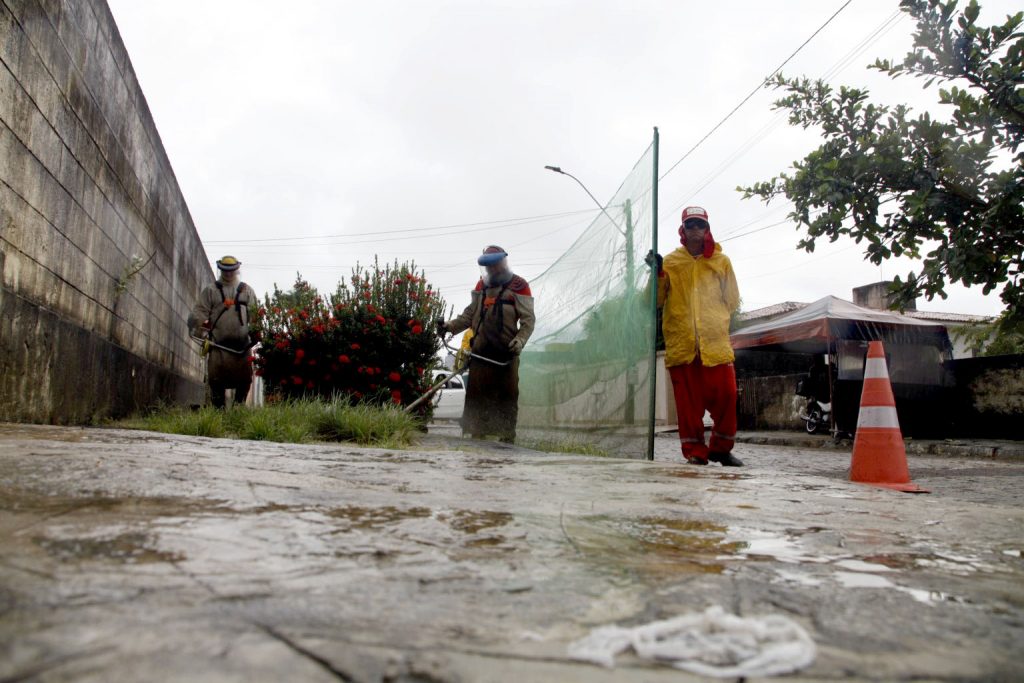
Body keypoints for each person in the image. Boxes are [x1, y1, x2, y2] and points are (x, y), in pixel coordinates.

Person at [648, 207, 743, 466]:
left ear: (707, 229)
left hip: (715, 345)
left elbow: (732, 299)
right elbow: (653, 302)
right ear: (682, 230)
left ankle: (721, 449)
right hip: (682, 345)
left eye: (700, 225)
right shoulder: (670, 262)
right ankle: (695, 452)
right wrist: (655, 274)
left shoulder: (721, 262)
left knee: (727, 395)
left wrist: (713, 318)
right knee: (688, 406)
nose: (695, 230)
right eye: (690, 225)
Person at [437, 246, 535, 442]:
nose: (491, 271)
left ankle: (507, 442)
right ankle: (475, 441)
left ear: (502, 264)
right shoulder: (481, 286)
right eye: (487, 268)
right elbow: (469, 315)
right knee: (477, 400)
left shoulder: (519, 285)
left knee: (506, 399)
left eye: (494, 266)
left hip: (505, 357)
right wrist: (449, 326)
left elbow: (528, 320)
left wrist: (520, 340)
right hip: (480, 355)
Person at [191, 256, 258, 408]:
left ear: (236, 270)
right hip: (218, 345)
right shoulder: (211, 291)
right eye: (225, 271)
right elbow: (199, 312)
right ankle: (218, 412)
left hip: (242, 347)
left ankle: (238, 409)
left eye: (231, 271)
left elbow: (255, 315)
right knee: (216, 380)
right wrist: (201, 330)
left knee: (245, 379)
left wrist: (256, 332)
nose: (228, 274)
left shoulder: (247, 291)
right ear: (220, 270)